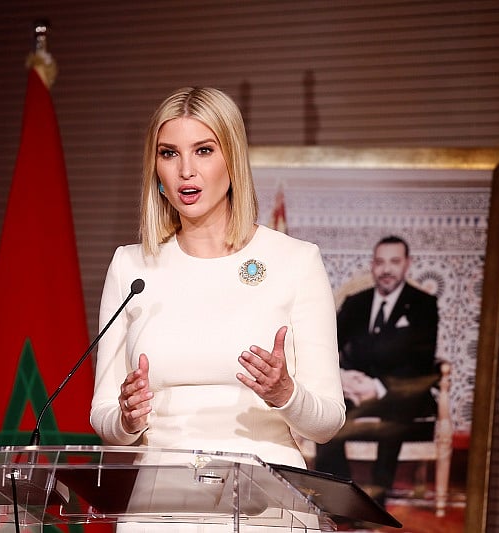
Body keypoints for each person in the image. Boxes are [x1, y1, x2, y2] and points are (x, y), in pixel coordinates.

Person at [90, 87, 346, 531]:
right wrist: (128, 417)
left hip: (266, 506)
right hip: (159, 507)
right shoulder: (130, 266)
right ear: (155, 168)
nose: (186, 171)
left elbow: (327, 421)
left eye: (203, 150)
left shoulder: (295, 260)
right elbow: (105, 420)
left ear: (232, 158)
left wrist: (285, 392)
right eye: (169, 153)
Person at [315, 235, 440, 507]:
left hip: (399, 392)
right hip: (354, 387)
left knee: (397, 408)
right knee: (327, 413)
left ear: (407, 264)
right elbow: (325, 344)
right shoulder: (355, 303)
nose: (386, 269)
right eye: (380, 262)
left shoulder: (423, 305)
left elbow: (421, 362)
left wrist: (378, 386)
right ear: (372, 266)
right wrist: (342, 378)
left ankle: (376, 501)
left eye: (394, 262)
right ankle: (341, 501)